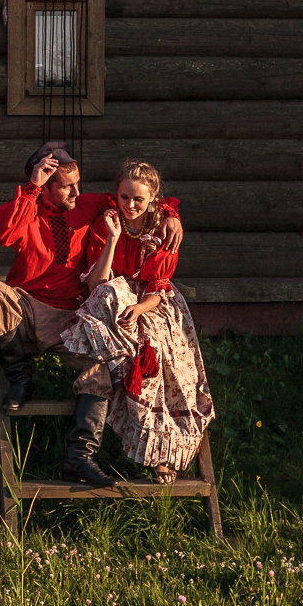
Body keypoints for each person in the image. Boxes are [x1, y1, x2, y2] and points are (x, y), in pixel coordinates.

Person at [63, 160, 217, 485]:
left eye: (138, 200)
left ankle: (162, 452)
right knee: (108, 295)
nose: (130, 206)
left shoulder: (162, 229)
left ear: (152, 199)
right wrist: (113, 239)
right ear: (115, 194)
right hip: (112, 297)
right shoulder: (107, 223)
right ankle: (118, 360)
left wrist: (139, 308)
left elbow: (159, 291)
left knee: (160, 355)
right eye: (124, 197)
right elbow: (97, 285)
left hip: (152, 301)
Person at [0, 141, 116, 485]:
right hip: (28, 307)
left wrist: (172, 216)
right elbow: (5, 232)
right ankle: (21, 380)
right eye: (67, 186)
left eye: (77, 183)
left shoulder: (86, 205)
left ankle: (79, 457)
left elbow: (134, 202)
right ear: (46, 187)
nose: (76, 191)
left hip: (70, 316)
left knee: (99, 368)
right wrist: (31, 189)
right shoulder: (27, 208)